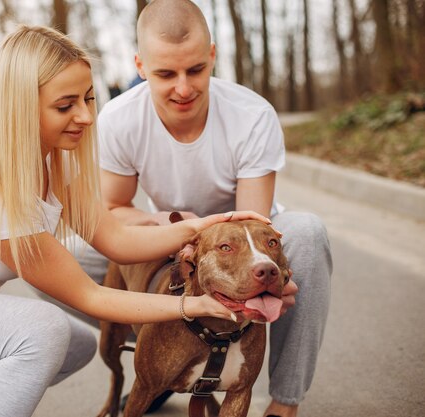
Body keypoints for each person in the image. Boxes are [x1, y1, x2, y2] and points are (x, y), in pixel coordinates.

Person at [0, 25, 270, 417]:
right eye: (65, 105)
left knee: (75, 344)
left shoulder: (54, 168)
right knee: (41, 330)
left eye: (87, 98)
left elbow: (118, 240)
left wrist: (205, 225)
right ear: (19, 108)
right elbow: (92, 297)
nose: (85, 116)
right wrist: (194, 304)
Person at [74, 1, 333, 416]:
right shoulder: (120, 119)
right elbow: (114, 210)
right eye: (165, 74)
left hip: (241, 242)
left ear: (212, 55)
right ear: (140, 66)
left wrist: (243, 268)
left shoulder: (252, 115)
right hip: (171, 236)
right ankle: (168, 360)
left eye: (195, 70)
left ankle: (285, 403)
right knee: (64, 251)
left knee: (308, 232)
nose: (183, 88)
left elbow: (251, 223)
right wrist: (166, 227)